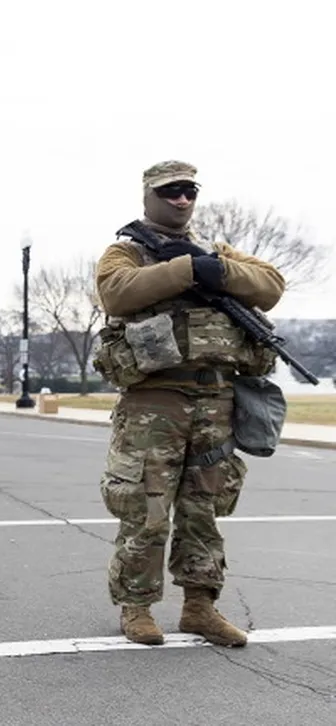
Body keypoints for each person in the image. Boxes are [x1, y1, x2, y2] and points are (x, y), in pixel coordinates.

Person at [93, 160, 285, 647]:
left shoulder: (215, 251)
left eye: (189, 191)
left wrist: (216, 269)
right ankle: (136, 607)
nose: (182, 199)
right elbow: (116, 294)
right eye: (171, 191)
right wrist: (183, 270)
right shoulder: (127, 251)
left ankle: (200, 607)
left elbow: (270, 285)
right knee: (146, 508)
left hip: (217, 397)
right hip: (155, 399)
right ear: (149, 196)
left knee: (205, 507)